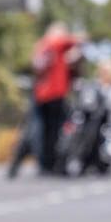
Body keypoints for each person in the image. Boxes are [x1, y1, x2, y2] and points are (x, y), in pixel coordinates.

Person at [29, 22, 82, 175]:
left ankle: (45, 163)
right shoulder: (55, 43)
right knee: (56, 130)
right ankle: (52, 163)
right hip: (54, 94)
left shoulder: (41, 45)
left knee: (46, 131)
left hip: (41, 95)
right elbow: (74, 41)